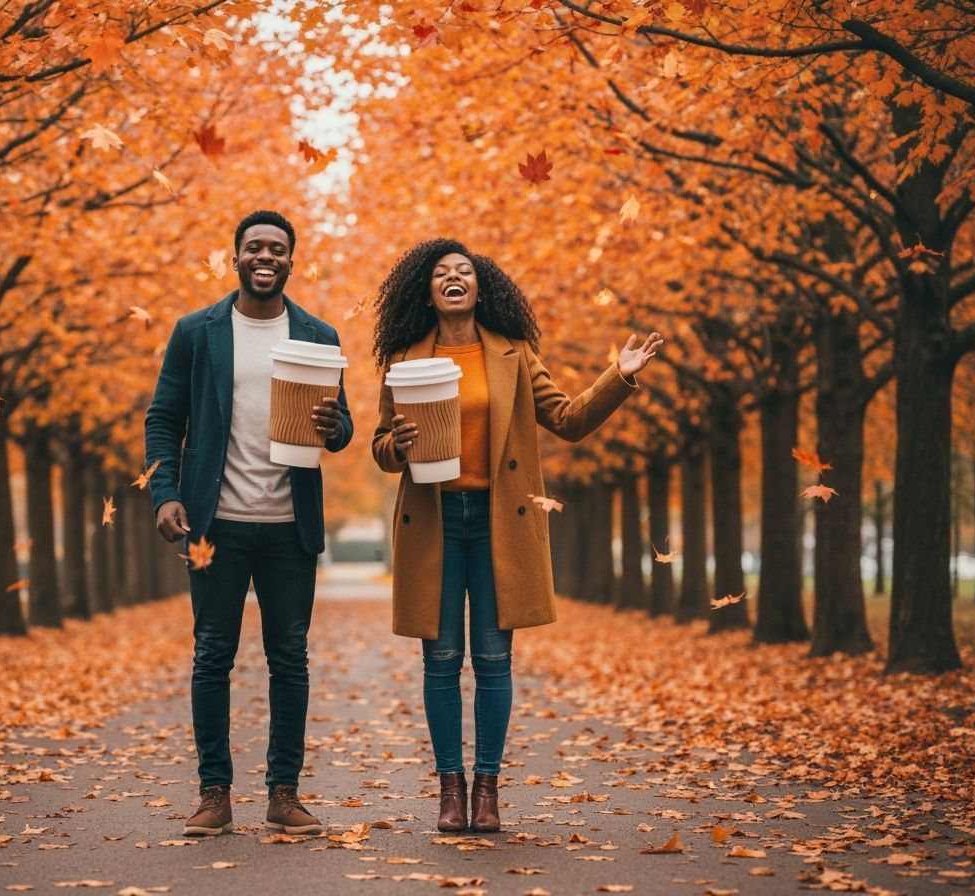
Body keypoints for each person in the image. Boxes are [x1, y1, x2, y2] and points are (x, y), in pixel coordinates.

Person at [370, 239, 661, 833]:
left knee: (495, 661)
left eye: (465, 272)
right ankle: (450, 792)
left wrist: (618, 377)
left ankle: (487, 790)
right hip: (436, 523)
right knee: (442, 661)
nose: (454, 278)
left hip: (500, 519)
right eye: (441, 273)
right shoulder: (403, 358)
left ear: (482, 288)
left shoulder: (514, 354)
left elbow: (570, 420)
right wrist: (394, 446)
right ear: (425, 291)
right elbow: (381, 447)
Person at [144, 210, 353, 836]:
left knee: (289, 659)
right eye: (255, 247)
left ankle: (283, 794)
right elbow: (163, 419)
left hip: (290, 526)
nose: (266, 256)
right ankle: (215, 794)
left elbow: (340, 426)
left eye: (278, 249)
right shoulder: (196, 331)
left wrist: (333, 428)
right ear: (235, 256)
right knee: (212, 655)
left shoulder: (318, 334)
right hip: (214, 527)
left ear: (292, 260)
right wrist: (164, 493)